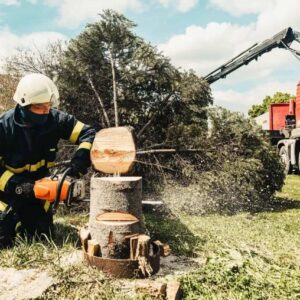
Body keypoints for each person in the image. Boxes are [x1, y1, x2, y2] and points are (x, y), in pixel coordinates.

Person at [0, 73, 96, 248]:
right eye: (39, 107)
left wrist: (80, 159)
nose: (46, 111)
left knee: (41, 235)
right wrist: (19, 185)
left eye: (49, 106)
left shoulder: (56, 120)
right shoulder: (4, 127)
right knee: (3, 236)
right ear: (24, 105)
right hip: (5, 193)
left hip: (39, 190)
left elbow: (88, 133)